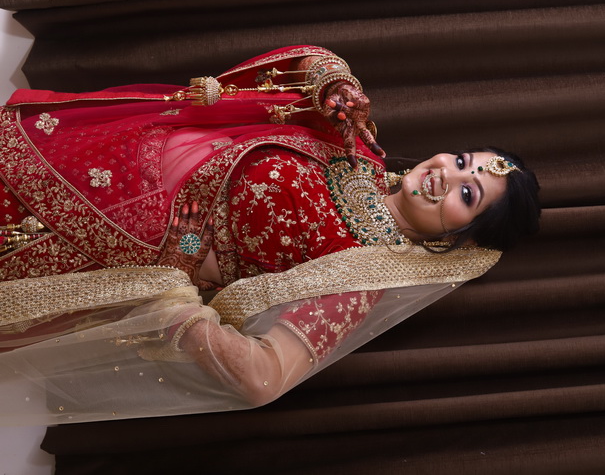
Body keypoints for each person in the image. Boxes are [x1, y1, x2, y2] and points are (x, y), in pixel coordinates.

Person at [0, 46, 541, 425]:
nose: (448, 173)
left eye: (468, 194)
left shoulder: (363, 274)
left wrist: (176, 275)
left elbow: (262, 378)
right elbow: (309, 61)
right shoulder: (360, 148)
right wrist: (335, 84)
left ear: (460, 238)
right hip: (95, 154)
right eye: (463, 161)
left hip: (98, 244)